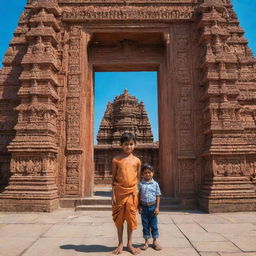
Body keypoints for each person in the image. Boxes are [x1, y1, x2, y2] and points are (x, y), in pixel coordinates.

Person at [112, 132, 141, 255]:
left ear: (134, 145)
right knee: (119, 219)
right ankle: (120, 243)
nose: (128, 147)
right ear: (121, 145)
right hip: (119, 192)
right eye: (125, 144)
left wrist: (137, 192)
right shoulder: (116, 160)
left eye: (131, 144)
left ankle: (129, 243)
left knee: (130, 218)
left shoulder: (137, 161)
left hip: (132, 192)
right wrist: (113, 194)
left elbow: (138, 178)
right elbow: (113, 179)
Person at [138, 163, 162, 251]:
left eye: (149, 172)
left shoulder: (155, 184)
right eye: (145, 173)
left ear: (153, 173)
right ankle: (146, 241)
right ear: (142, 174)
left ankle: (155, 241)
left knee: (154, 225)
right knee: (145, 225)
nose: (147, 174)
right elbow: (138, 196)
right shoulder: (141, 184)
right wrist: (139, 206)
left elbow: (158, 196)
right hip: (144, 207)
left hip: (152, 207)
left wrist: (157, 208)